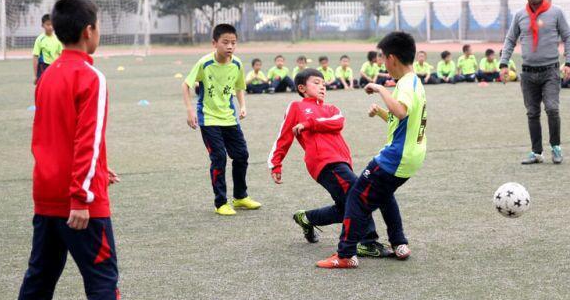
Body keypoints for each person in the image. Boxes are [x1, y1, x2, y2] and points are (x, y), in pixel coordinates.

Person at [5, 0, 145, 300]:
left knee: (40, 278)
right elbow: (85, 137)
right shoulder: (90, 75)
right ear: (89, 32)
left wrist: (97, 170)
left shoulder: (47, 74)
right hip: (78, 201)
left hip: (47, 192)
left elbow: (53, 136)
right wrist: (83, 194)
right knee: (102, 280)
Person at [316, 31, 426, 269]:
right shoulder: (415, 82)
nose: (383, 63)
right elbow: (400, 121)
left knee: (356, 196)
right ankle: (399, 243)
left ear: (392, 59)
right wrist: (380, 113)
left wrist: (379, 88)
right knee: (384, 194)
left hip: (396, 157)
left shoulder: (404, 84)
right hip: (412, 157)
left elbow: (401, 112)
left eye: (383, 58)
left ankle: (345, 255)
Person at [268, 68, 393, 257]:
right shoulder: (296, 106)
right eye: (316, 83)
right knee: (359, 194)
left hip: (341, 161)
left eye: (324, 84)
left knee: (345, 209)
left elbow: (338, 122)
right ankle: (367, 241)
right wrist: (276, 163)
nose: (322, 87)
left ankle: (307, 218)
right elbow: (283, 136)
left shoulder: (331, 109)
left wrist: (310, 124)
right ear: (302, 88)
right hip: (323, 162)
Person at [182, 23, 261, 216]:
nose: (230, 47)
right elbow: (186, 85)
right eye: (225, 42)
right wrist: (190, 111)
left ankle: (241, 197)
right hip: (209, 119)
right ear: (214, 43)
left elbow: (239, 87)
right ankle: (221, 203)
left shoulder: (237, 64)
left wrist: (242, 106)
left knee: (241, 155)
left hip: (229, 117)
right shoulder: (205, 63)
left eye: (233, 43)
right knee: (218, 157)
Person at [500, 0, 570, 165]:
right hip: (528, 73)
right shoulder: (519, 15)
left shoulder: (556, 12)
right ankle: (536, 152)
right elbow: (510, 40)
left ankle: (556, 147)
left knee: (552, 108)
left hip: (550, 70)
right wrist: (503, 64)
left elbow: (568, 36)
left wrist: (569, 62)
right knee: (532, 113)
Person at [32, 13, 63, 84]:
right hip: (43, 66)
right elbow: (35, 57)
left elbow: (61, 55)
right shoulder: (40, 39)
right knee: (44, 86)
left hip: (55, 67)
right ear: (42, 25)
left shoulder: (57, 39)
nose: (50, 27)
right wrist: (35, 75)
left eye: (52, 24)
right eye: (48, 25)